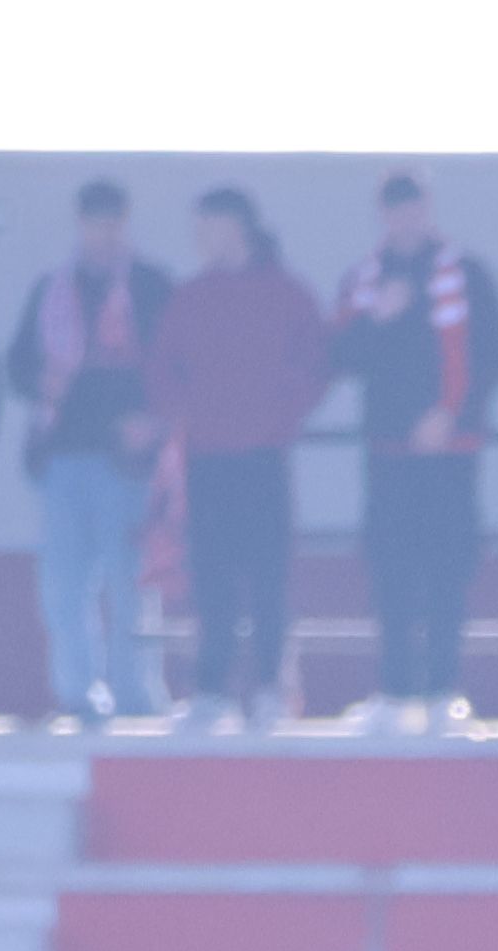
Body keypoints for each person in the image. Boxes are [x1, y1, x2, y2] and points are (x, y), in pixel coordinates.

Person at [332, 174, 498, 730]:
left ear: (426, 210)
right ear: (382, 215)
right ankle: (393, 691)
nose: (404, 220)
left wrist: (449, 414)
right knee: (390, 570)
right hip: (388, 453)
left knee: (447, 569)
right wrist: (375, 319)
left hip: (451, 453)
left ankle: (440, 692)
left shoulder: (468, 274)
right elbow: (339, 358)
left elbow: (494, 353)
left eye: (412, 209)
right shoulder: (364, 280)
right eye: (394, 210)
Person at [152, 189, 327, 731]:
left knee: (269, 577)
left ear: (238, 227)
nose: (201, 237)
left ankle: (271, 689)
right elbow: (160, 367)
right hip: (207, 458)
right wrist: (185, 414)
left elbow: (316, 364)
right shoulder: (191, 297)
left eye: (209, 225)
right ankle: (212, 692)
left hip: (264, 457)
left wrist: (280, 418)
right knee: (211, 577)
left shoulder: (287, 294)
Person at [10, 185, 171, 728]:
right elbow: (16, 366)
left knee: (131, 583)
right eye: (94, 222)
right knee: (63, 585)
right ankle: (78, 693)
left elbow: (176, 367)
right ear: (79, 224)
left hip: (127, 464)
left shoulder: (151, 288)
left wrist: (151, 419)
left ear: (126, 224)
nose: (104, 232)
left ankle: (136, 693)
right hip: (64, 460)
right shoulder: (52, 290)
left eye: (113, 222)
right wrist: (41, 380)